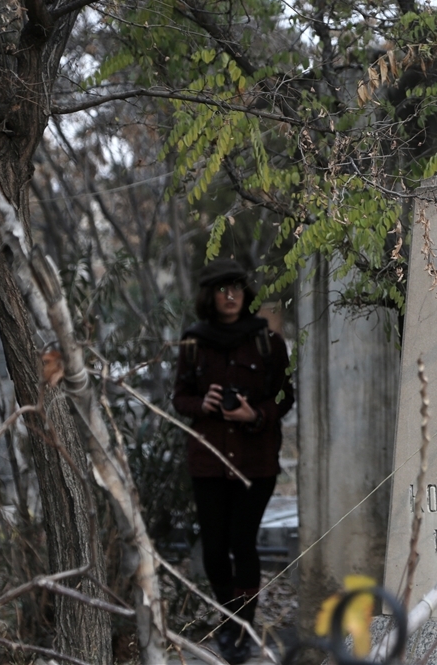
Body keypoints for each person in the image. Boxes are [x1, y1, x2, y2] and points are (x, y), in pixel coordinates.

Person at [173, 259, 294, 664]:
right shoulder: (193, 343)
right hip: (208, 461)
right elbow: (179, 398)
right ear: (209, 296)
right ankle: (230, 621)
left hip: (255, 461)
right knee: (213, 548)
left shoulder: (268, 343)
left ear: (246, 294)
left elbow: (284, 397)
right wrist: (202, 403)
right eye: (222, 290)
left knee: (242, 542)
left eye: (236, 289)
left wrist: (254, 415)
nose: (230, 297)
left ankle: (241, 628)